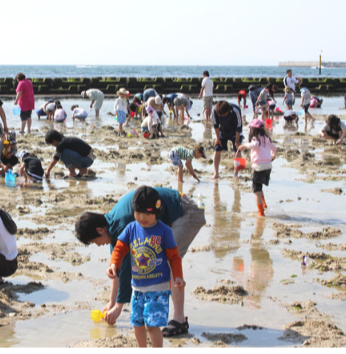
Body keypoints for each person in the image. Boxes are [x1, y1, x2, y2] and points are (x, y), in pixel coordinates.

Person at [74, 186, 205, 337]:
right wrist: (111, 303)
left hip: (187, 212)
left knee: (167, 262)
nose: (97, 245)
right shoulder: (112, 227)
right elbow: (117, 270)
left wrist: (118, 306)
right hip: (170, 214)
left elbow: (128, 269)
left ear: (99, 230)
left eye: (94, 241)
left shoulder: (121, 224)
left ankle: (179, 320)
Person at [107, 186, 185, 348]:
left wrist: (178, 276)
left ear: (157, 211)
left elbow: (174, 257)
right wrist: (114, 264)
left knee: (152, 325)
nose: (142, 217)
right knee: (137, 322)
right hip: (138, 288)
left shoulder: (164, 231)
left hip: (158, 288)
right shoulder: (131, 229)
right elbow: (120, 248)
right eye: (138, 213)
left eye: (147, 213)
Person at [237, 119, 277, 217]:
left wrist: (244, 146)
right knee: (260, 187)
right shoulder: (266, 138)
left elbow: (254, 145)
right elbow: (274, 148)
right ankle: (264, 204)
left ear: (253, 130)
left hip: (259, 167)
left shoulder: (256, 139)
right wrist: (273, 156)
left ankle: (261, 213)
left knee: (256, 190)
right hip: (268, 166)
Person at [211, 100, 243, 179]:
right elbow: (215, 125)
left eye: (224, 114)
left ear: (228, 111)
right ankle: (216, 173)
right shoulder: (214, 110)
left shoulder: (236, 110)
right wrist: (217, 138)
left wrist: (237, 140)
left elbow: (239, 126)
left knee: (237, 150)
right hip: (223, 131)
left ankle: (236, 173)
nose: (222, 116)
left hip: (236, 132)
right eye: (220, 115)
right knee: (217, 149)